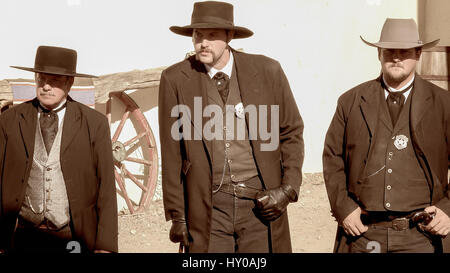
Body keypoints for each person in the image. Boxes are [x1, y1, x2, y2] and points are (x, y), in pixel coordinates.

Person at [158, 1, 304, 253]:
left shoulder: (268, 71)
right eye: (197, 35)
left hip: (260, 204)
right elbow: (172, 152)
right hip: (208, 207)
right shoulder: (175, 79)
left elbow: (291, 132)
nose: (203, 42)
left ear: (230, 36)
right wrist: (178, 216)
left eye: (212, 35)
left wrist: (288, 189)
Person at [323, 18, 450, 253]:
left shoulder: (443, 104)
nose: (397, 57)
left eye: (405, 51)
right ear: (379, 54)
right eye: (390, 51)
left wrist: (448, 209)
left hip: (421, 237)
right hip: (363, 234)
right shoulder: (350, 102)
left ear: (419, 53)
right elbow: (333, 158)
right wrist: (343, 208)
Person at [0, 45, 118, 253]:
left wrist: (105, 245)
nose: (46, 86)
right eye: (41, 79)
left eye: (54, 80)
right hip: (24, 236)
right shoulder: (10, 120)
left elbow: (106, 188)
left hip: (73, 236)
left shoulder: (94, 124)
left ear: (69, 83)